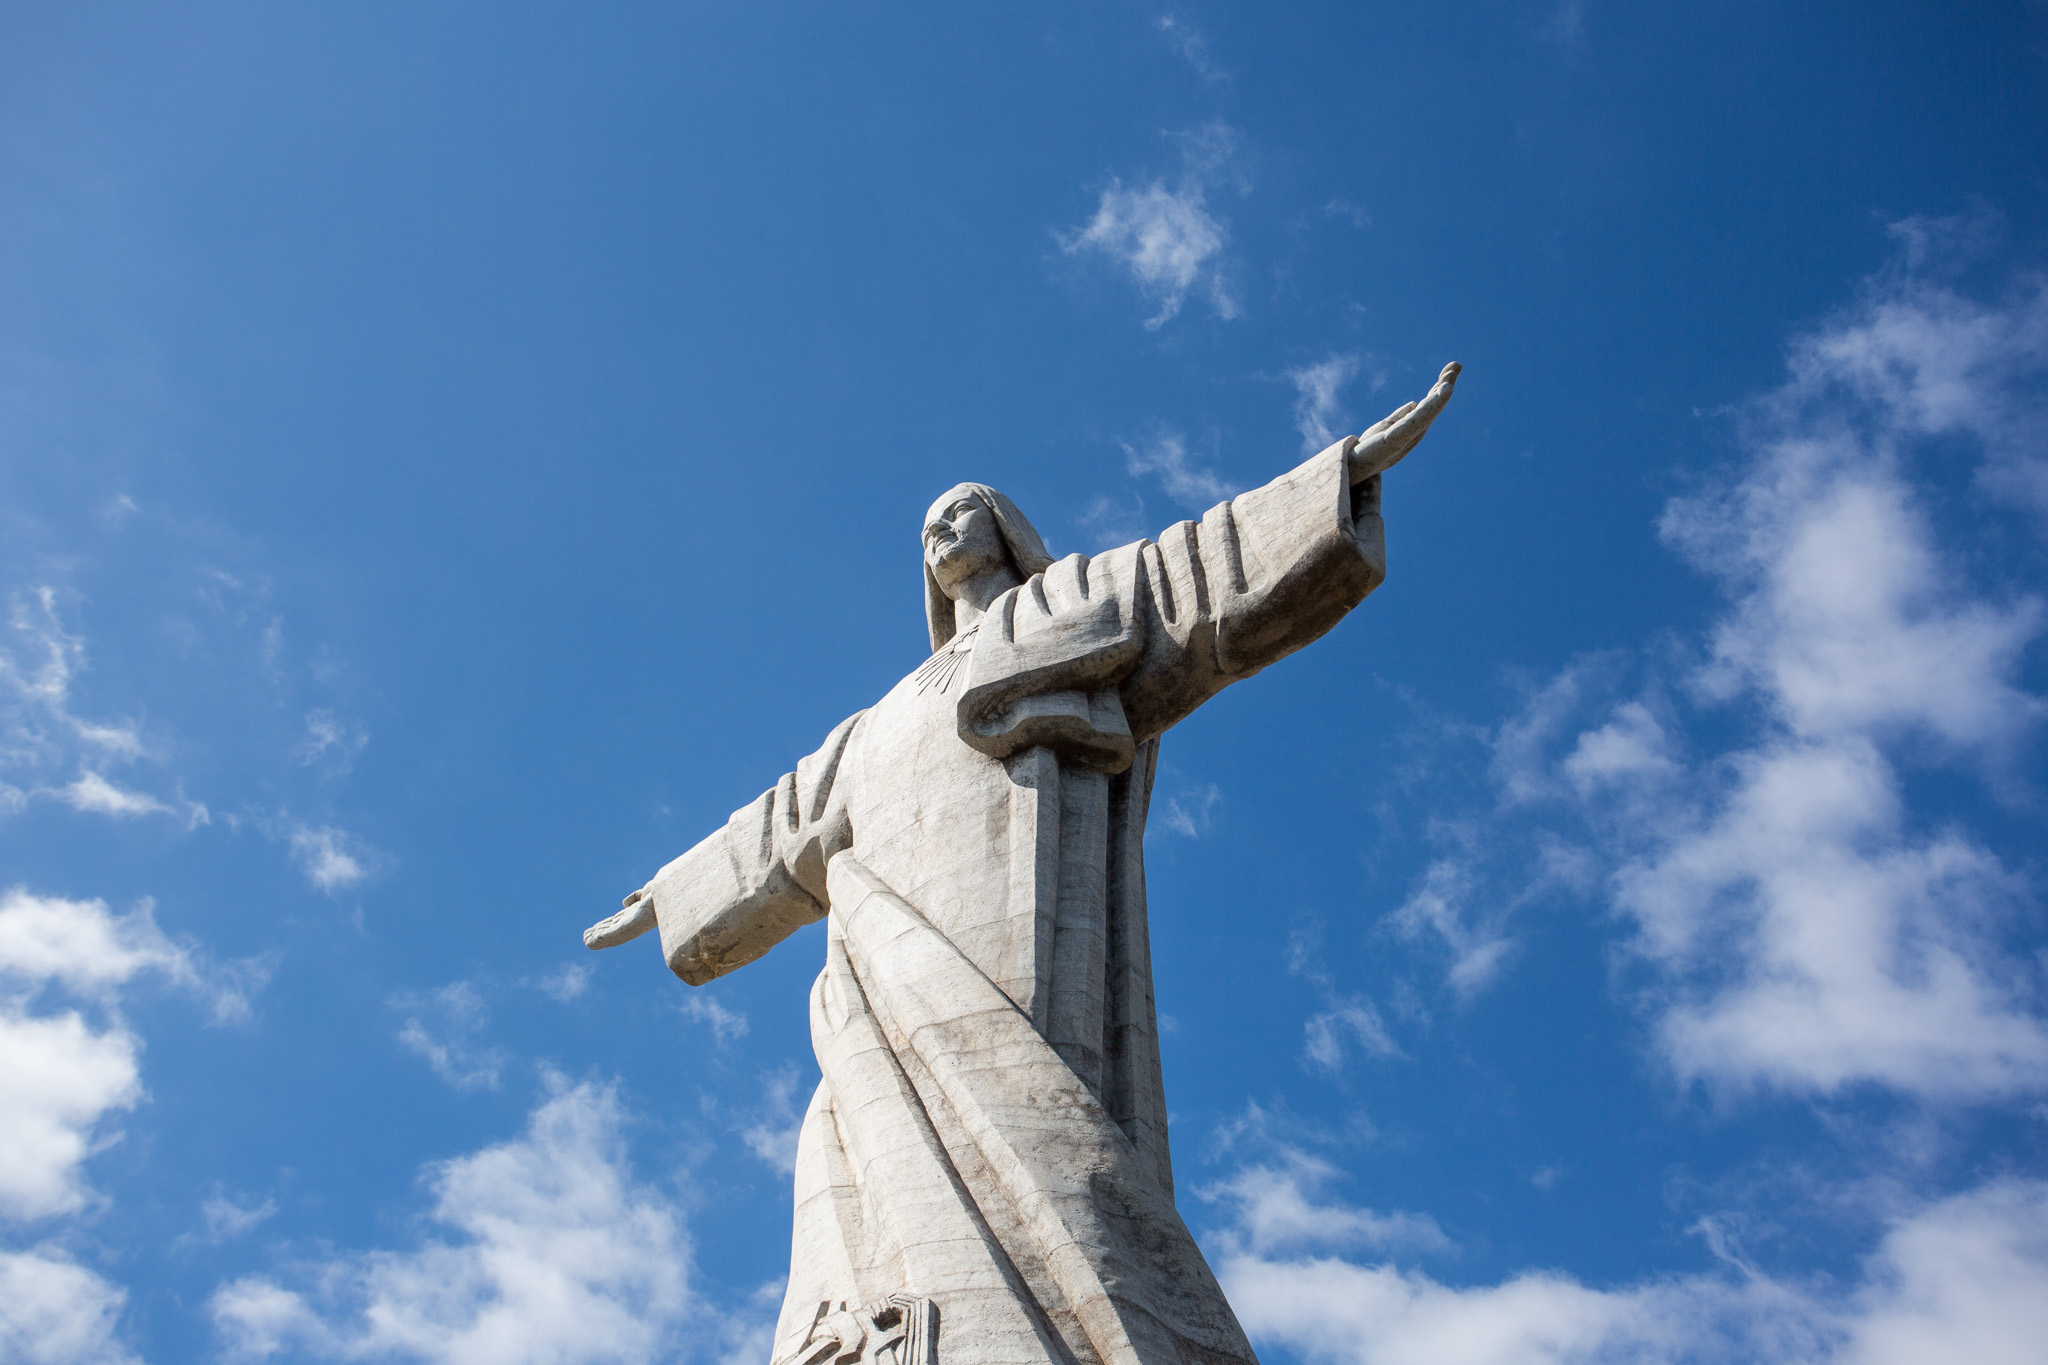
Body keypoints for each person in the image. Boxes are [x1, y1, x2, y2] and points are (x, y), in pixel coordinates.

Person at [586, 363, 1461, 1365]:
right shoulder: (871, 727)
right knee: (861, 1131)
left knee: (1024, 1097)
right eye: (927, 526)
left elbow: (1188, 573)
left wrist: (1335, 478)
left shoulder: (1066, 606)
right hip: (876, 948)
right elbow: (776, 825)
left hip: (1017, 914)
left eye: (960, 511)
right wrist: (669, 893)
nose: (939, 530)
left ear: (1004, 529)